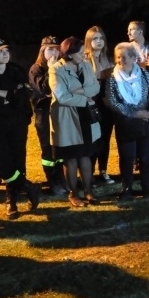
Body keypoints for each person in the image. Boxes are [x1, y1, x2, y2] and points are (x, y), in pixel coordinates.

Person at [0, 39, 39, 219]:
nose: (5, 53)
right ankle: (27, 187)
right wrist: (10, 96)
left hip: (16, 123)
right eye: (0, 51)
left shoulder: (16, 71)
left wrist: (2, 95)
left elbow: (24, 95)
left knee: (18, 160)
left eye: (6, 50)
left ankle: (11, 201)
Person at [49, 37, 102, 207]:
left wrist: (77, 91)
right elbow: (62, 96)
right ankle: (73, 193)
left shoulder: (86, 65)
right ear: (70, 54)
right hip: (67, 118)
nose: (84, 54)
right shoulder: (56, 69)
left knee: (85, 154)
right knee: (71, 158)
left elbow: (96, 87)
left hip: (86, 116)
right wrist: (85, 98)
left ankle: (88, 191)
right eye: (80, 52)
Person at [103, 42, 149, 198]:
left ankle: (146, 186)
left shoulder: (145, 74)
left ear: (134, 58)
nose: (121, 61)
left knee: (146, 156)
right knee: (128, 157)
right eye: (118, 57)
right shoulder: (112, 78)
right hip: (126, 123)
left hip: (147, 121)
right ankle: (127, 187)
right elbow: (113, 102)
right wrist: (135, 114)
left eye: (125, 57)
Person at [28, 36, 67, 196]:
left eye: (56, 49)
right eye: (49, 49)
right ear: (42, 50)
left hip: (61, 113)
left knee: (60, 149)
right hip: (44, 115)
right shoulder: (36, 69)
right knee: (48, 151)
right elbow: (43, 89)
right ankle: (53, 182)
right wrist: (51, 69)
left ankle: (62, 179)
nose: (53, 53)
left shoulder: (62, 66)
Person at [84, 26, 115, 184]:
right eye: (95, 38)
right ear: (89, 41)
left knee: (105, 139)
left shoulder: (109, 60)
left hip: (107, 105)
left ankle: (103, 170)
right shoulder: (84, 60)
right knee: (92, 139)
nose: (98, 41)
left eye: (101, 38)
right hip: (91, 105)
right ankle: (88, 173)